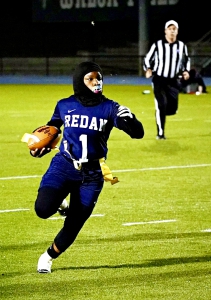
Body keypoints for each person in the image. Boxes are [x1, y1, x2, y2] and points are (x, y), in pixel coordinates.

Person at [30, 61, 145, 273]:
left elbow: (138, 133)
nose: (96, 82)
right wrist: (39, 147)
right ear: (80, 81)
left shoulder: (110, 107)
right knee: (42, 209)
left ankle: (48, 256)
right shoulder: (64, 104)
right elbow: (52, 129)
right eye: (90, 78)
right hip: (63, 165)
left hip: (92, 174)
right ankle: (61, 205)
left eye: (99, 78)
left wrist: (130, 119)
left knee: (74, 223)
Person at [143, 20, 190, 139]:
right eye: (170, 29)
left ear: (177, 31)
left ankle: (161, 112)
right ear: (165, 31)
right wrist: (148, 69)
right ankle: (160, 133)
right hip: (159, 79)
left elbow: (186, 60)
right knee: (161, 105)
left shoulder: (181, 46)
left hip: (174, 81)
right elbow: (147, 58)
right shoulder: (158, 45)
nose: (172, 31)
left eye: (174, 29)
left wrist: (185, 71)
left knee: (172, 109)